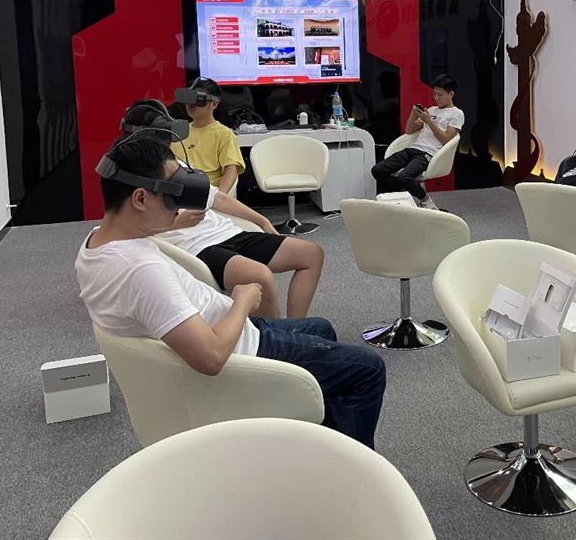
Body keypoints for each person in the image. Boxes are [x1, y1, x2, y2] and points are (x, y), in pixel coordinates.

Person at [76, 135, 386, 448]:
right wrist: (242, 301)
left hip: (227, 328)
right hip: (243, 353)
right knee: (368, 369)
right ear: (140, 199)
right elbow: (210, 358)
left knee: (322, 328)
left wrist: (173, 223)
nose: (180, 202)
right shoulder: (141, 272)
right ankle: (349, 465)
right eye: (172, 193)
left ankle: (318, 438)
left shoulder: (97, 244)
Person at [122, 100, 323, 318]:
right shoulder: (127, 182)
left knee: (311, 254)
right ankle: (274, 337)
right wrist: (177, 223)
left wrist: (262, 221)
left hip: (228, 233)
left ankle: (296, 327)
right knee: (261, 277)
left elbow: (217, 198)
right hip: (197, 248)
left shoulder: (175, 165)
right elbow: (126, 231)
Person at [371, 74, 464, 210]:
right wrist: (413, 114)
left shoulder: (457, 114)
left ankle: (427, 202)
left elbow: (446, 140)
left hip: (428, 154)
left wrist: (429, 122)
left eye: (440, 95)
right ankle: (401, 197)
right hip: (412, 149)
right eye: (435, 94)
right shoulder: (431, 110)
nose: (436, 98)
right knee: (378, 170)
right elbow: (409, 131)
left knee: (404, 177)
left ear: (451, 94)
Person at [172, 77, 245, 195]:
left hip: (207, 193)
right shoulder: (178, 130)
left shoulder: (223, 134)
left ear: (214, 104)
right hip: (176, 193)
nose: (191, 104)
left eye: (198, 100)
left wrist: (219, 197)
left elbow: (231, 170)